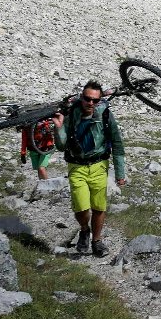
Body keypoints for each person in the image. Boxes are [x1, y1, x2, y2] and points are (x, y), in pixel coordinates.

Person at [52, 79, 127, 257]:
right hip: (77, 166)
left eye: (95, 100)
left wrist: (120, 174)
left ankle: (97, 241)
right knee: (82, 208)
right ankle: (85, 229)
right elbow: (62, 146)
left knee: (99, 207)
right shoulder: (71, 115)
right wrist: (58, 129)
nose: (90, 103)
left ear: (100, 100)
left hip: (99, 165)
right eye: (87, 99)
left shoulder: (106, 115)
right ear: (81, 97)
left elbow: (117, 144)